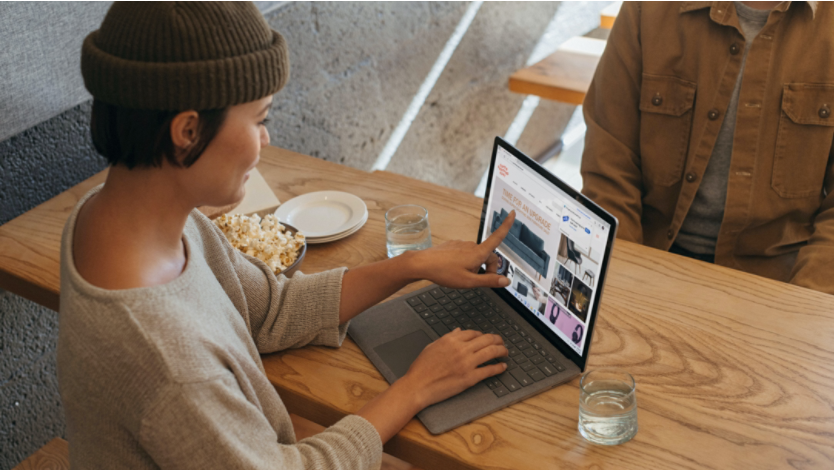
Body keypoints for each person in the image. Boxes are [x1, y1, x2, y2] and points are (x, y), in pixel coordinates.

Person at [59, 3, 517, 468]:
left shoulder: (121, 215)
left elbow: (269, 309)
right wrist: (416, 387)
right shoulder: (168, 360)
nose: (266, 139)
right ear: (188, 130)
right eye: (259, 119)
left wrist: (412, 266)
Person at [580, 1, 834, 295]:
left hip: (779, 278)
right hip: (648, 256)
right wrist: (623, 282)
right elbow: (609, 161)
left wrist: (802, 304)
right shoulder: (648, 9)